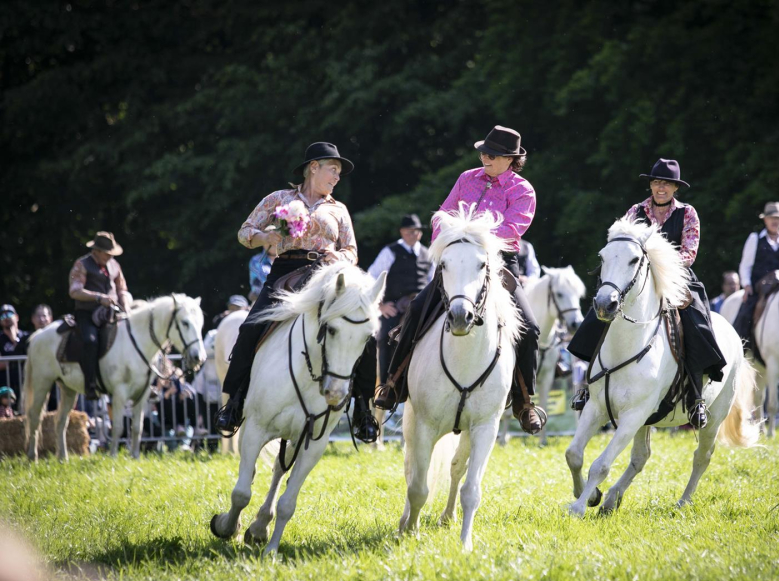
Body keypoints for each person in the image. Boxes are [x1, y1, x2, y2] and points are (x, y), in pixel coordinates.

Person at [374, 125, 546, 434]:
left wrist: (470, 236)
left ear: (510, 159)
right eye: (483, 152)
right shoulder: (466, 178)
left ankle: (524, 401)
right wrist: (448, 244)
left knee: (530, 328)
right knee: (416, 309)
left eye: (492, 155)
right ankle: (393, 384)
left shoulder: (523, 190)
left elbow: (510, 232)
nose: (485, 158)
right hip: (455, 259)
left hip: (497, 263)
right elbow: (441, 217)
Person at [215, 142, 379, 442]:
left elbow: (352, 251)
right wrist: (265, 235)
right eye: (334, 169)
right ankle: (234, 402)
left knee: (364, 332)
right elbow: (244, 232)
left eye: (339, 172)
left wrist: (338, 257)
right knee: (251, 327)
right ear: (313, 167)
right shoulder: (279, 198)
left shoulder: (339, 209)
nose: (337, 177)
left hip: (327, 277)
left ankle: (363, 410)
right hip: (285, 272)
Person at [568, 158, 726, 429]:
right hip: (635, 278)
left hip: (675, 278)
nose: (660, 188)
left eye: (666, 183)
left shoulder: (688, 213)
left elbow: (689, 253)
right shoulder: (634, 210)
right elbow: (618, 241)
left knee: (697, 317)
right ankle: (588, 384)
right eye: (656, 182)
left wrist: (658, 265)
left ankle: (697, 397)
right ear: (651, 185)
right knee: (602, 307)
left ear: (676, 187)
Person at [368, 214, 435, 391]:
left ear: (420, 233)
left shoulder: (428, 254)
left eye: (416, 231)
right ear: (402, 232)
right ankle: (383, 386)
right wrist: (380, 305)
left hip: (420, 306)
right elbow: (372, 277)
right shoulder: (390, 251)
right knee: (384, 338)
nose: (412, 235)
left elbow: (433, 282)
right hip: (394, 306)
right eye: (408, 231)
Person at [67, 231, 132, 401]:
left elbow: (122, 289)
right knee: (90, 341)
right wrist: (98, 297)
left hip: (112, 313)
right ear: (96, 251)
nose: (110, 257)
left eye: (112, 254)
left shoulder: (114, 266)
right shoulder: (82, 264)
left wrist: (125, 303)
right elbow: (75, 291)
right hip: (87, 314)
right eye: (107, 253)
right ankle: (90, 385)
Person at [734, 201, 779, 345]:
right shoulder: (755, 238)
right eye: (771, 218)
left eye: (778, 218)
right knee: (745, 316)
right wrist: (746, 285)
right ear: (765, 219)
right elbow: (745, 265)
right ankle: (741, 347)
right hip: (759, 289)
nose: (775, 221)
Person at [0, 304, 27, 400]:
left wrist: (14, 340)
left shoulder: (26, 337)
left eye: (9, 314)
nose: (6, 318)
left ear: (17, 317)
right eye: (2, 316)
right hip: (5, 386)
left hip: (26, 383)